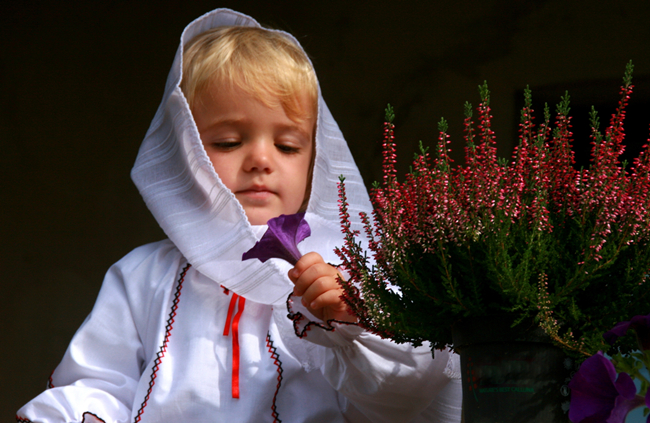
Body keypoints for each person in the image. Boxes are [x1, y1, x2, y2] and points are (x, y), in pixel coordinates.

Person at [17, 8, 462, 423]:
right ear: (182, 152)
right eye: (229, 141)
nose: (261, 160)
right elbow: (102, 384)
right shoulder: (143, 275)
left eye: (288, 145)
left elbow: (403, 393)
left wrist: (352, 323)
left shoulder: (348, 270)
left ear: (315, 159)